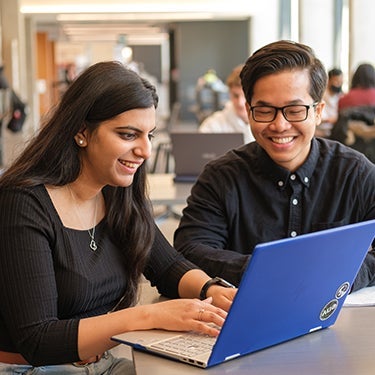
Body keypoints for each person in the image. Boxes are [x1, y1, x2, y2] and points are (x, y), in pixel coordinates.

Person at [0, 61, 236, 374]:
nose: (146, 151)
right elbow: (38, 340)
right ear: (82, 131)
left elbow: (166, 267)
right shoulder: (23, 203)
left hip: (102, 364)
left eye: (149, 135)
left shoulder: (116, 191)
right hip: (33, 369)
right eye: (128, 135)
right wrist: (149, 317)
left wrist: (212, 290)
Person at [174, 40, 375, 291]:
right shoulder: (221, 177)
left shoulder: (353, 172)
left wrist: (340, 276)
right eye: (265, 111)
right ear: (248, 112)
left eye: (294, 110)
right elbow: (190, 250)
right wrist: (273, 271)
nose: (279, 125)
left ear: (318, 111)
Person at [199, 65, 255, 144]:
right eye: (235, 96)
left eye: (245, 96)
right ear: (229, 93)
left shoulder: (266, 124)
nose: (240, 103)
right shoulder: (213, 125)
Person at [316, 68, 344, 137]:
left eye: (341, 82)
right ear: (329, 80)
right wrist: (328, 120)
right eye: (336, 81)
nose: (339, 84)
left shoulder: (341, 95)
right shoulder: (321, 94)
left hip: (335, 130)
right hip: (320, 130)